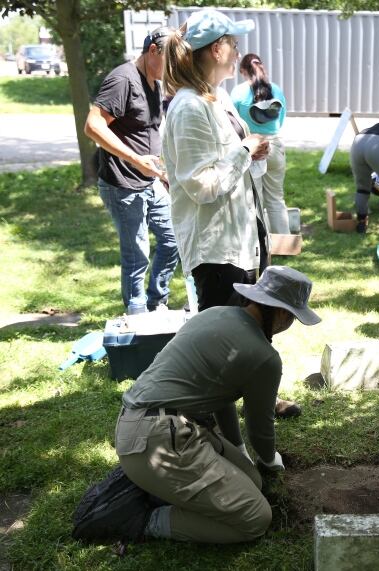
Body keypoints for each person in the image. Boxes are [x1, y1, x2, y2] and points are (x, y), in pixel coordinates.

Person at [111, 266, 320, 543]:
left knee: (252, 482)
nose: (291, 323)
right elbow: (261, 428)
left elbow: (221, 397)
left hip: (146, 427)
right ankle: (144, 520)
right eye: (293, 316)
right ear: (281, 313)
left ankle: (160, 488)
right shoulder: (264, 357)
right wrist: (271, 462)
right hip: (158, 442)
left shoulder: (212, 315)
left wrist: (240, 450)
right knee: (256, 518)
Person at [162, 9, 269, 311]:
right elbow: (202, 185)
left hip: (242, 243)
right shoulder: (189, 107)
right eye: (233, 44)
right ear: (216, 49)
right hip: (217, 255)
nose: (238, 52)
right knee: (223, 347)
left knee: (245, 340)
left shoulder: (219, 98)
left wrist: (255, 153)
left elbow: (241, 168)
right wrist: (245, 151)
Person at [84, 27, 179, 315]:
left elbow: (146, 133)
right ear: (153, 51)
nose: (173, 68)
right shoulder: (123, 79)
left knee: (172, 240)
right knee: (137, 255)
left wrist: (162, 172)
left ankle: (156, 301)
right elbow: (93, 126)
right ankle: (137, 313)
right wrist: (136, 160)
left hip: (150, 181)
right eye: (170, 60)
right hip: (122, 184)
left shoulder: (154, 81)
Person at [231, 53, 291, 234]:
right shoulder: (276, 90)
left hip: (252, 149)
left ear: (243, 71)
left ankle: (260, 246)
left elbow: (232, 122)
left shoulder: (239, 92)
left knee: (253, 200)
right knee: (276, 199)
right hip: (275, 146)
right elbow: (280, 120)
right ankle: (285, 244)